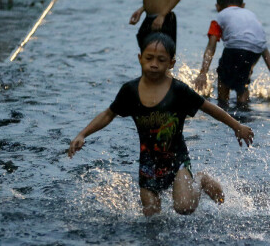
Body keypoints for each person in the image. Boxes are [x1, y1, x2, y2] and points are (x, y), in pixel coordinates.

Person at [68, 33, 254, 217]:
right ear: (140, 58)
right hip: (148, 164)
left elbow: (207, 107)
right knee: (152, 216)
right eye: (149, 58)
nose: (154, 64)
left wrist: (237, 126)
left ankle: (200, 179)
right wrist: (82, 134)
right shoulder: (130, 91)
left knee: (184, 207)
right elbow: (109, 114)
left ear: (171, 63)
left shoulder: (178, 90)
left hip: (177, 159)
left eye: (161, 60)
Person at [194, 0, 270, 105]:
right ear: (243, 5)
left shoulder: (219, 17)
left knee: (223, 79)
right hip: (255, 51)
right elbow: (264, 48)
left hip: (235, 48)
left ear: (217, 7)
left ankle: (223, 106)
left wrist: (203, 72)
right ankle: (244, 108)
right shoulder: (251, 16)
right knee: (242, 81)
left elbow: (211, 47)